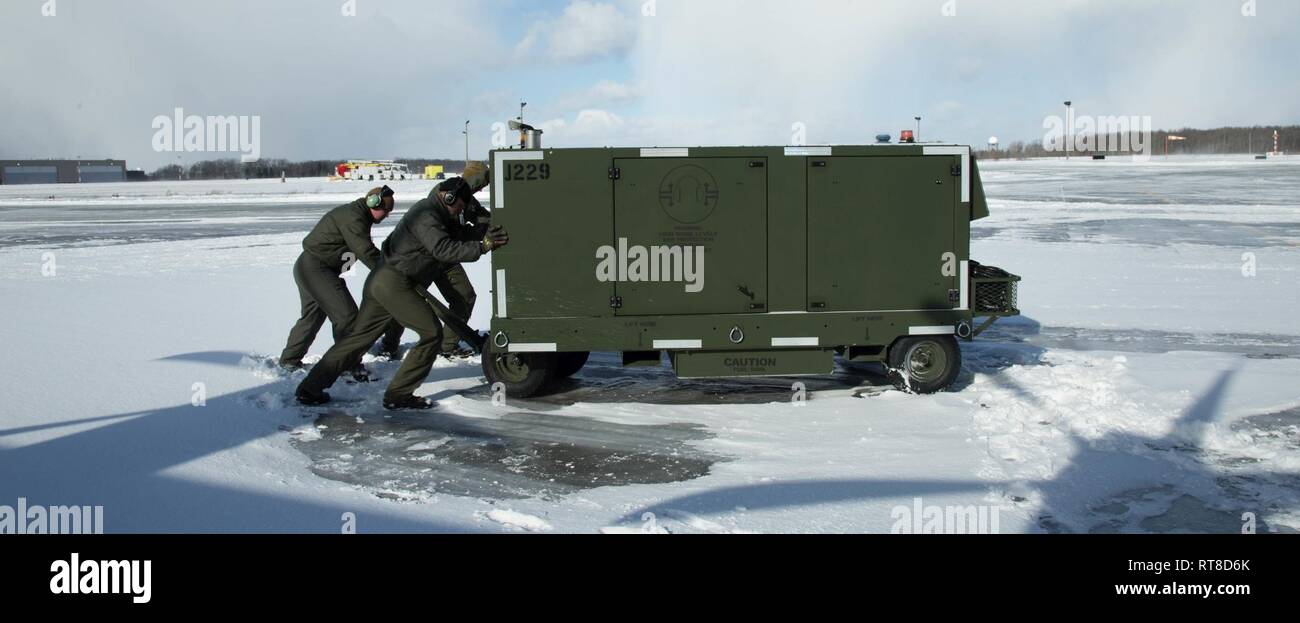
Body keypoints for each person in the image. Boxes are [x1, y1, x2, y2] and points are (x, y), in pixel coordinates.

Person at [295, 172, 509, 410]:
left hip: (383, 281)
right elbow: (443, 249)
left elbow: (456, 234)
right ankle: (398, 395)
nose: (460, 213)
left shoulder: (438, 213)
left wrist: (486, 231)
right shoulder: (426, 215)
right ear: (448, 198)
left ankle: (309, 389)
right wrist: (482, 247)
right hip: (394, 283)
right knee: (431, 333)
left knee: (357, 339)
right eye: (459, 208)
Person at [278, 186, 404, 377]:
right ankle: (348, 364)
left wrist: (342, 278)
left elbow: (348, 252)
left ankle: (290, 360)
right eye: (386, 211)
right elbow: (365, 251)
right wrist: (390, 273)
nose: (387, 215)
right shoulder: (354, 217)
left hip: (312, 267)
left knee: (313, 316)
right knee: (347, 317)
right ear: (373, 203)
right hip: (316, 268)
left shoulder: (359, 216)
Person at [431, 161, 491, 359]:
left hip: (446, 258)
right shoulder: (445, 194)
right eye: (480, 183)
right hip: (430, 257)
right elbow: (453, 233)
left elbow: (482, 217)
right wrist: (478, 240)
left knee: (464, 297)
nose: (482, 188)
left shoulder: (468, 199)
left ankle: (448, 345)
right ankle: (388, 344)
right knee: (400, 299)